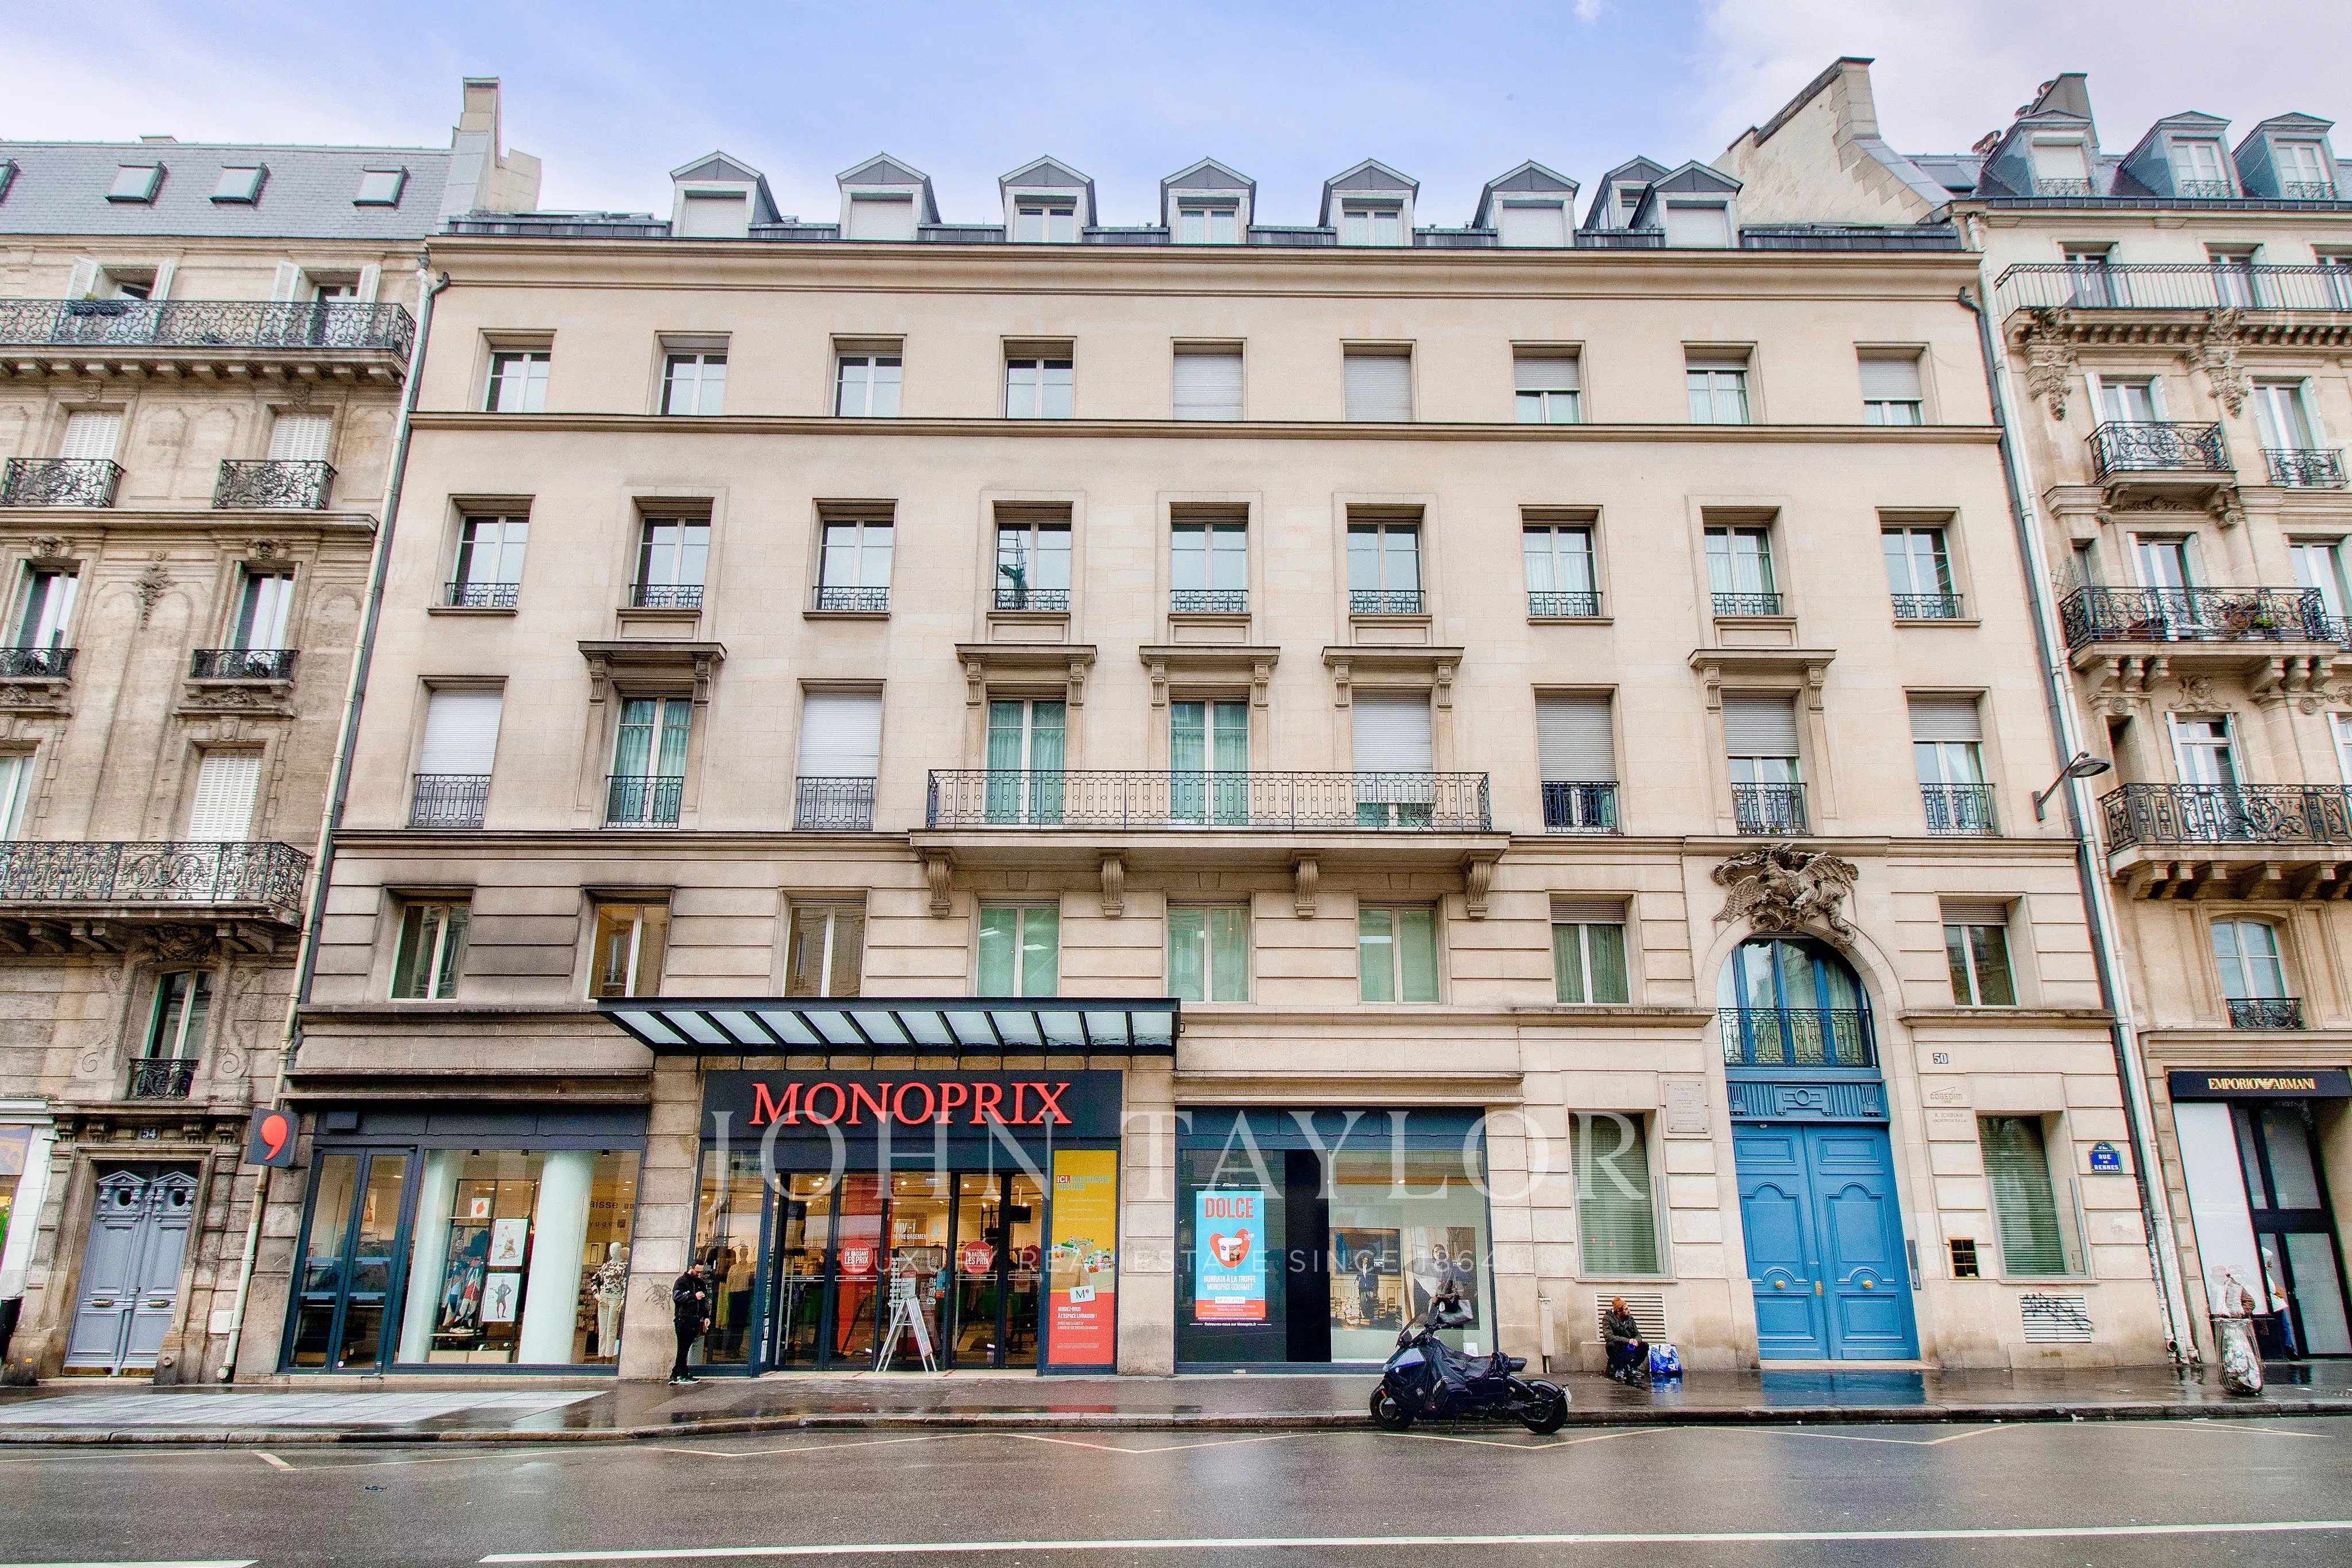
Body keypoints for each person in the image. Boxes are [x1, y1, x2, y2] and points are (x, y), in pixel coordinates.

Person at [670, 1258, 712, 1384]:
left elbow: (704, 1302)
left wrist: (706, 1317)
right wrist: (694, 1296)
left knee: (684, 1349)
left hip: (695, 1319)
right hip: (683, 1318)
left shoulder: (700, 1283)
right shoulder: (681, 1281)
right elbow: (677, 1297)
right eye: (697, 1271)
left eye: (701, 1272)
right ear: (691, 1268)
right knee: (683, 1348)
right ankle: (677, 1374)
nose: (699, 1274)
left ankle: (679, 1374)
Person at [1601, 1295, 1649, 1384]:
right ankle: (1619, 1368)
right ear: (1619, 1311)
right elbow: (1608, 1336)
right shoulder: (1608, 1319)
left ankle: (1634, 1367)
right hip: (1618, 1347)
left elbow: (1637, 1334)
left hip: (1630, 1347)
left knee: (1645, 1345)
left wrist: (1636, 1340)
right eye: (1626, 1309)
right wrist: (1627, 1341)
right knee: (1610, 1345)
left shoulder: (1630, 1319)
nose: (1629, 1311)